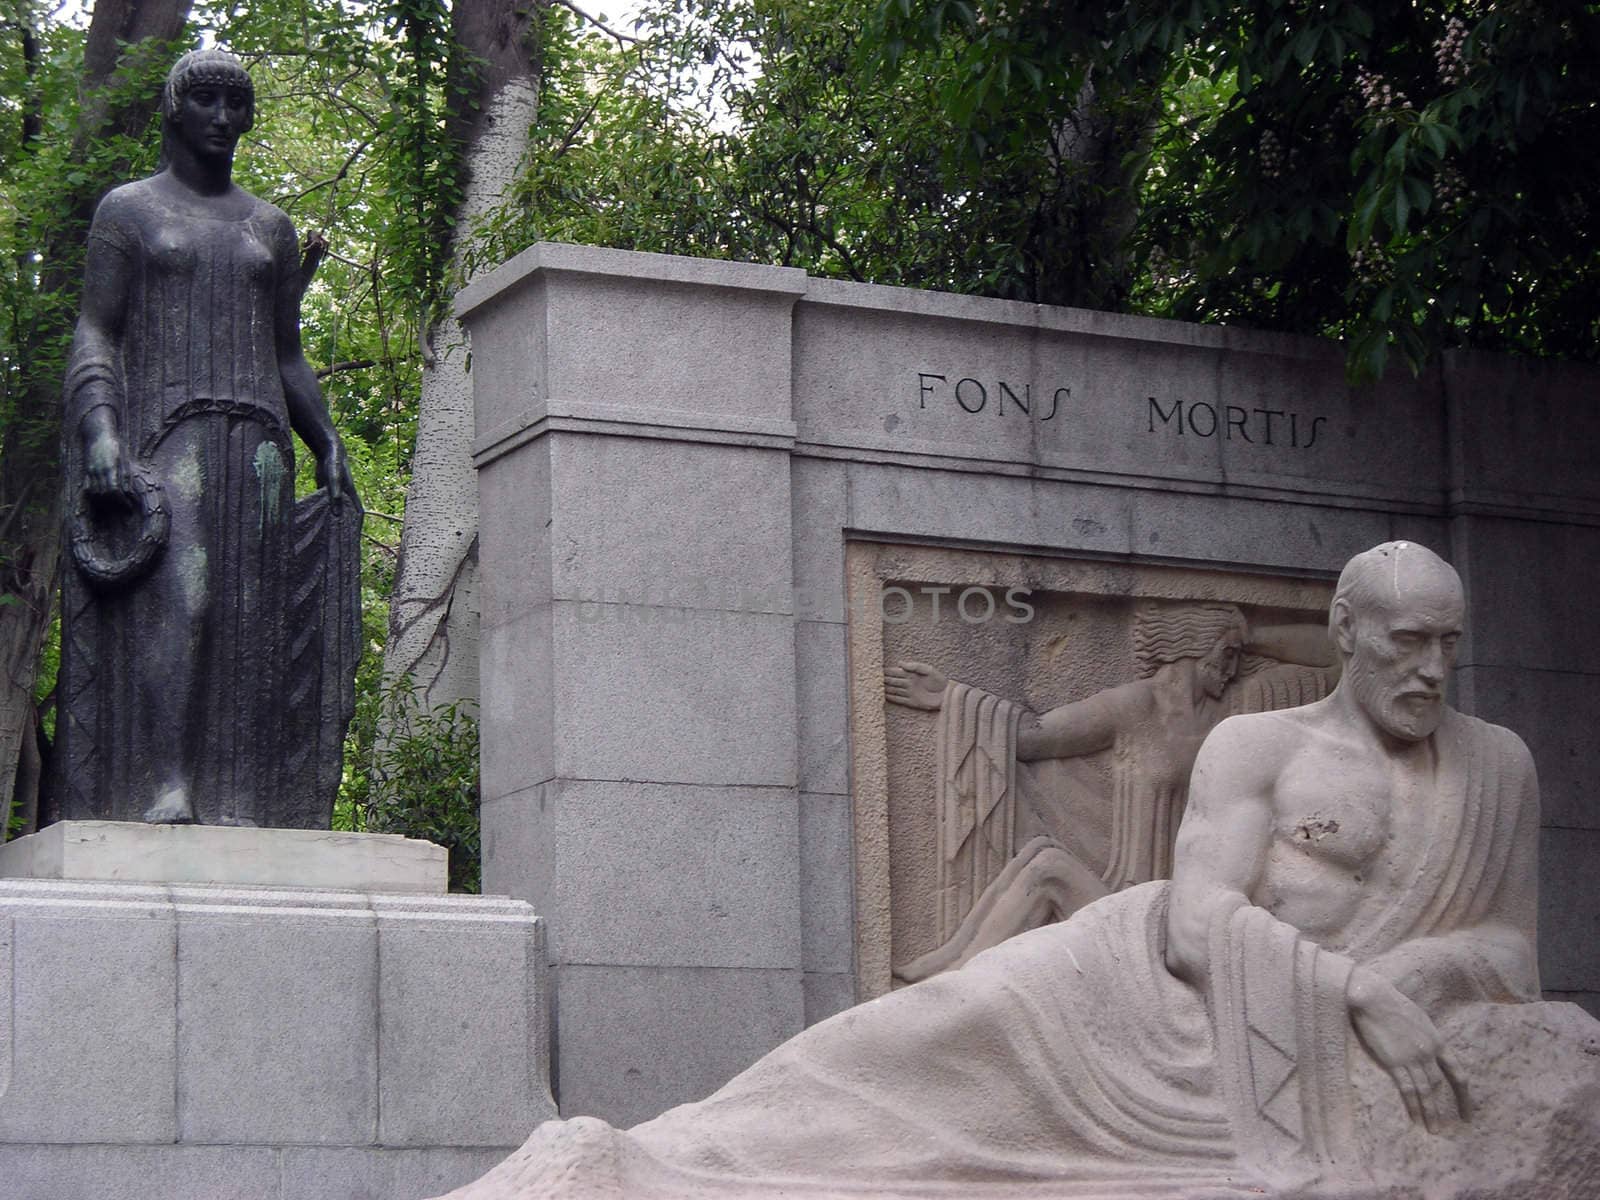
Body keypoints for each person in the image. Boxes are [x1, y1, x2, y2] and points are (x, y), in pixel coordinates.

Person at [430, 542, 1598, 1199]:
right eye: (1406, 640)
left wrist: (1417, 981)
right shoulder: (1262, 747)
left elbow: (1509, 953)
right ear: (1346, 631)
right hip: (1138, 990)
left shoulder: (1496, 768)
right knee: (914, 1039)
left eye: (1448, 643)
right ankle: (661, 1162)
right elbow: (1198, 924)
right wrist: (1350, 988)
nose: (1431, 668)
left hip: (1271, 1068)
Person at [54, 49, 360, 828]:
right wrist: (101, 434)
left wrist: (325, 438)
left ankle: (241, 794)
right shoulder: (129, 211)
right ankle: (166, 784)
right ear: (175, 110)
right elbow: (96, 332)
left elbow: (286, 352)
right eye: (208, 102)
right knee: (183, 605)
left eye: (236, 103)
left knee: (251, 618)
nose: (223, 118)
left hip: (258, 443)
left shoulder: (271, 227)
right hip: (167, 436)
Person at [887, 605, 1337, 980]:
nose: (1232, 666)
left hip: (1185, 913)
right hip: (1131, 898)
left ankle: (954, 977)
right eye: (1225, 654)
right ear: (1189, 648)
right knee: (1044, 857)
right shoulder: (1132, 707)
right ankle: (952, 962)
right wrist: (953, 697)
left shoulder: (1241, 709)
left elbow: (1337, 660)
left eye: (1237, 656)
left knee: (1050, 869)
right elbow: (1033, 737)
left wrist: (1248, 633)